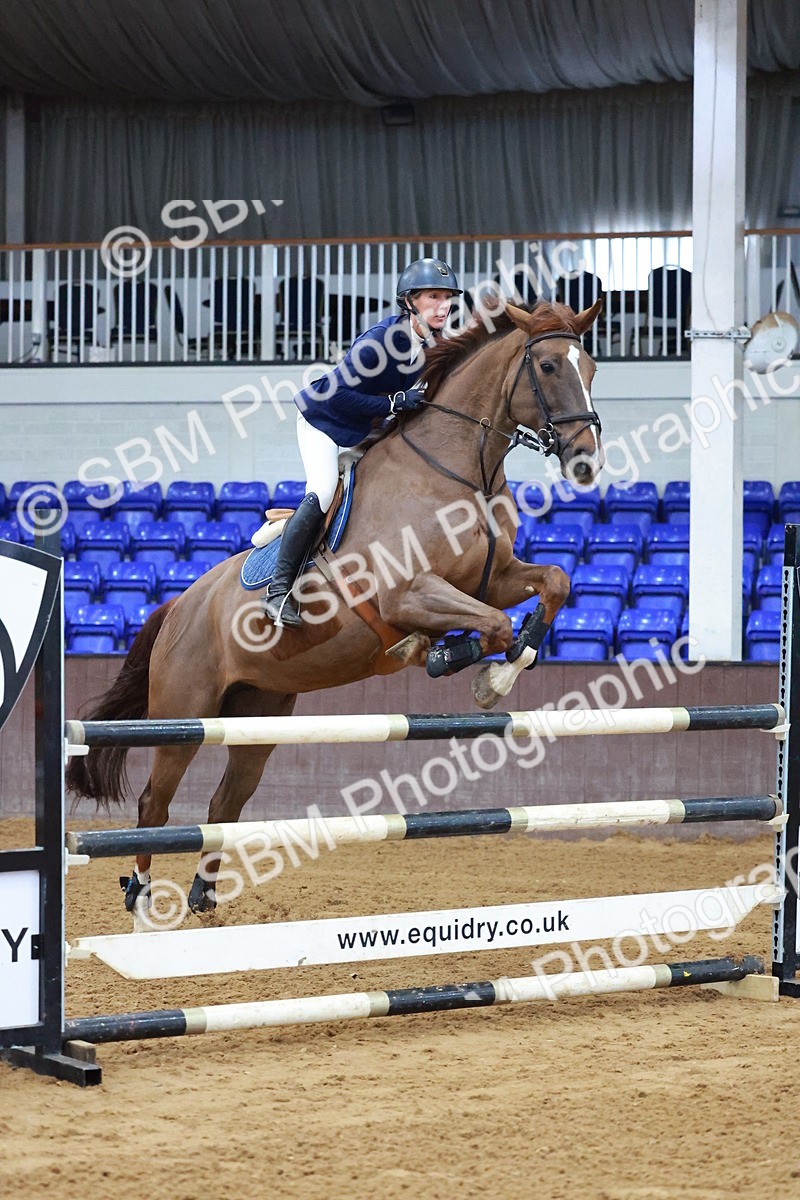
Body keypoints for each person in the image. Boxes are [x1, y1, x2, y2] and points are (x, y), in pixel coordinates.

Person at [261, 257, 462, 627]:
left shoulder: (436, 344)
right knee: (322, 493)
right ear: (409, 301)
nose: (444, 305)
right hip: (325, 421)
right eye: (434, 296)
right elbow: (339, 395)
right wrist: (392, 403)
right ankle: (278, 592)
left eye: (448, 297)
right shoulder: (378, 343)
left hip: (367, 427)